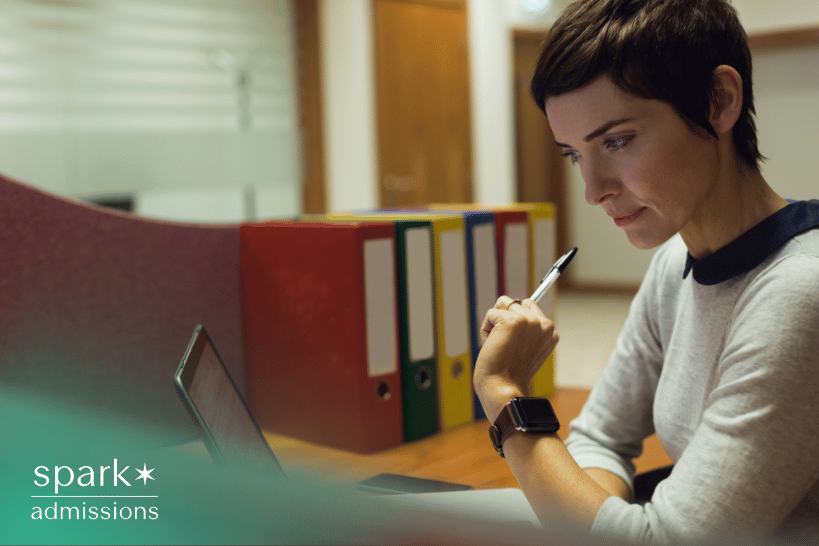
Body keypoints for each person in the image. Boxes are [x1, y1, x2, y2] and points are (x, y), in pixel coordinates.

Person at [473, 0, 819, 544]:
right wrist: (595, 526)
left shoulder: (799, 293)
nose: (593, 191)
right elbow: (601, 437)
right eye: (574, 155)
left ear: (718, 101)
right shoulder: (674, 266)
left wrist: (503, 395)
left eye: (617, 141)